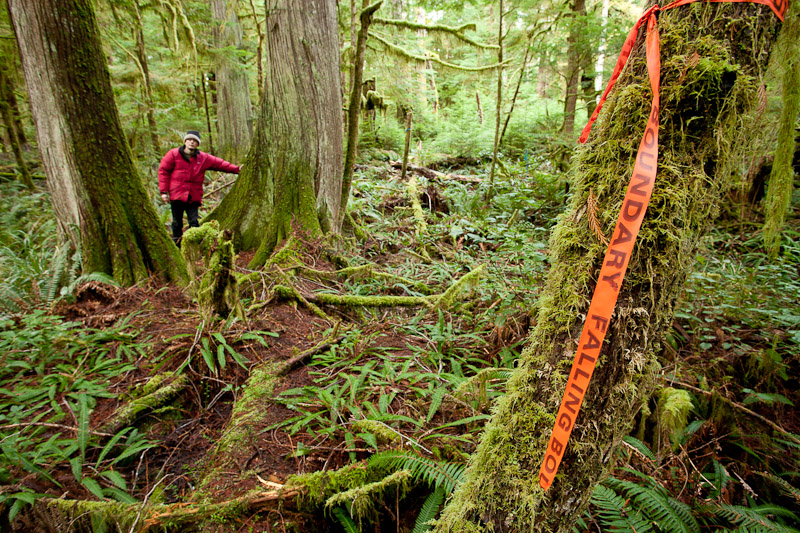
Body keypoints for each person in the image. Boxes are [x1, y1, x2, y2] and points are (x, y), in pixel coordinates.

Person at [158, 131, 240, 244]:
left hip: (193, 195)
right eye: (190, 140)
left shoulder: (203, 158)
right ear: (185, 141)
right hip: (176, 194)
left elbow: (220, 164)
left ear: (198, 144)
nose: (192, 142)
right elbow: (163, 171)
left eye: (195, 141)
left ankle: (193, 245)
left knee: (193, 221)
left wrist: (237, 169)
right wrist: (163, 191)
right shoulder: (173, 154)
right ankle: (177, 245)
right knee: (177, 222)